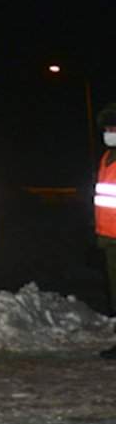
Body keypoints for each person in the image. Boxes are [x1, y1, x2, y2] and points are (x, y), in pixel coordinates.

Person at [95, 105, 116, 358]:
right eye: (107, 129)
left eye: (114, 128)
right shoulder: (106, 158)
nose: (109, 133)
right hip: (110, 238)